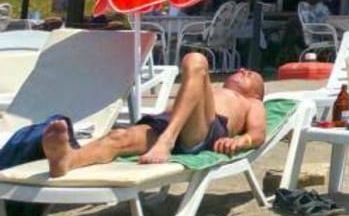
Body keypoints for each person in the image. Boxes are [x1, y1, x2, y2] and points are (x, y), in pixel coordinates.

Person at [40, 53, 266, 174]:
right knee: (119, 137)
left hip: (205, 129)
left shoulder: (251, 102)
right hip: (168, 122)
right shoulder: (209, 88)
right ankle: (67, 160)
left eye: (250, 75)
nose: (242, 70)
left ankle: (167, 140)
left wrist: (240, 140)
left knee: (195, 60)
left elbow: (258, 133)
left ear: (257, 93)